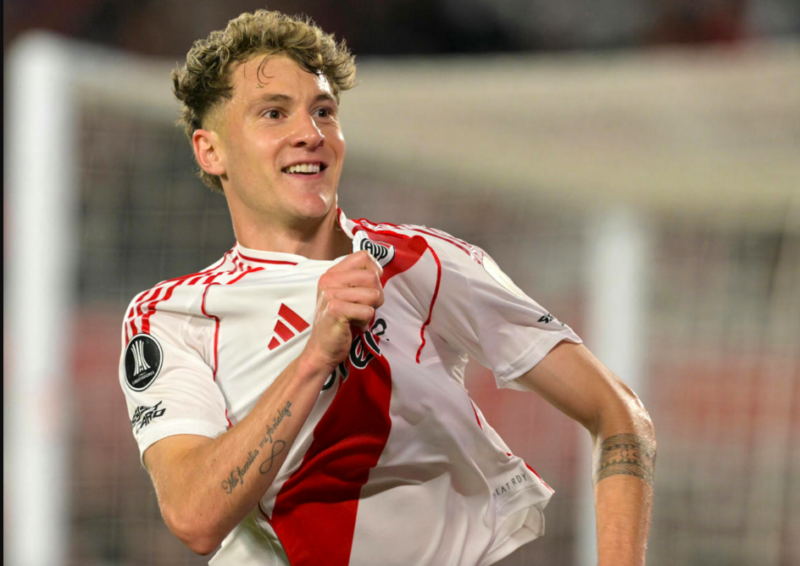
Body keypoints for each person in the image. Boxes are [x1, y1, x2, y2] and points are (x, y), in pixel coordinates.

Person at [119, 9, 656, 566]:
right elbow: (194, 517)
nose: (310, 134)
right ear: (210, 151)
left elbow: (618, 414)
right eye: (274, 113)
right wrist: (314, 359)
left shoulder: (422, 262)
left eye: (323, 111)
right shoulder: (172, 317)